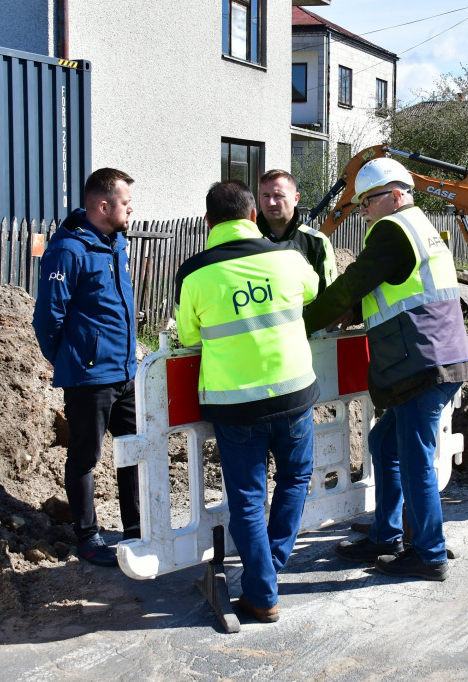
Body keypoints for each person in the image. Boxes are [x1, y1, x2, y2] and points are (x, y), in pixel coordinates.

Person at [303, 157, 468, 581]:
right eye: (360, 203)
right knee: (385, 443)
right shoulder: (420, 227)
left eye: (368, 201)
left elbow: (353, 282)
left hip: (420, 362)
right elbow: (400, 286)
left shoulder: (392, 229)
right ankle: (386, 535)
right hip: (437, 356)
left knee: (415, 458)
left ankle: (429, 553)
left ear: (396, 195)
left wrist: (301, 322)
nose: (363, 210)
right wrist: (356, 311)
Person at [175, 180, 319, 624]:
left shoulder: (194, 274)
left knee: (248, 499)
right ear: (253, 215)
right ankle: (268, 570)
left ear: (208, 222)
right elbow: (313, 291)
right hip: (294, 395)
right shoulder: (289, 257)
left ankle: (263, 589)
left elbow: (188, 336)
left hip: (236, 407)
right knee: (295, 478)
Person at [32, 168, 140, 567]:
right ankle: (88, 537)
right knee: (84, 456)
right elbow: (47, 317)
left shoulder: (116, 243)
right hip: (89, 376)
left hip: (125, 371)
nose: (131, 209)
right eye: (126, 203)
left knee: (134, 449)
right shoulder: (68, 250)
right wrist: (69, 358)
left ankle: (137, 529)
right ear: (103, 206)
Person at [257, 169, 337, 297]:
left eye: (278, 195)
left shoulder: (317, 242)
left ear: (296, 198)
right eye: (266, 196)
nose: (271, 202)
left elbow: (328, 297)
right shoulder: (247, 238)